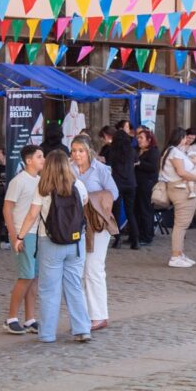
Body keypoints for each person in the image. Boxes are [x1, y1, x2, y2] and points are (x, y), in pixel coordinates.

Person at [13, 150, 92, 343]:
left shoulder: (43, 187)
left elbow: (32, 215)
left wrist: (20, 236)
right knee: (74, 286)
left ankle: (47, 334)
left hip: (50, 241)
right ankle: (82, 329)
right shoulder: (79, 184)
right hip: (75, 242)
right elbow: (85, 204)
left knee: (49, 289)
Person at [70, 134, 119, 331]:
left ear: (89, 151)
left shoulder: (101, 170)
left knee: (94, 268)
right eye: (74, 150)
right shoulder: (69, 168)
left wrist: (91, 199)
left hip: (97, 223)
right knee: (79, 269)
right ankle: (84, 315)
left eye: (80, 151)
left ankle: (99, 315)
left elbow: (113, 193)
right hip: (75, 223)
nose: (77, 155)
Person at [2, 145, 45, 335]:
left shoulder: (40, 180)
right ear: (29, 161)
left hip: (37, 233)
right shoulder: (18, 181)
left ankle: (30, 318)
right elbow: (7, 208)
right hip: (23, 231)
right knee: (25, 275)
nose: (42, 159)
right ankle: (11, 317)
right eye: (39, 156)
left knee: (33, 277)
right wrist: (13, 235)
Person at [160, 128, 196, 268]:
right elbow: (181, 172)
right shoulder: (174, 152)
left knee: (182, 224)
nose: (186, 141)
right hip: (181, 191)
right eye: (185, 138)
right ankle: (175, 256)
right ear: (180, 138)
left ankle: (179, 253)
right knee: (181, 224)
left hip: (181, 190)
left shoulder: (174, 151)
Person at [107, 127, 139, 250]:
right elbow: (136, 162)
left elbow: (108, 165)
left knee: (116, 212)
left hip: (117, 184)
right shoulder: (131, 150)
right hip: (131, 183)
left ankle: (117, 239)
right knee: (131, 212)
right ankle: (135, 240)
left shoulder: (112, 151)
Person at [134, 129, 159, 246]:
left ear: (149, 140)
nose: (138, 140)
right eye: (138, 138)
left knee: (145, 210)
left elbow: (153, 167)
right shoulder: (137, 150)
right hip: (137, 184)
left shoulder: (153, 152)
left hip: (147, 185)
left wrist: (140, 164)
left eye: (141, 138)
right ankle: (137, 234)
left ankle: (147, 236)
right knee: (137, 210)